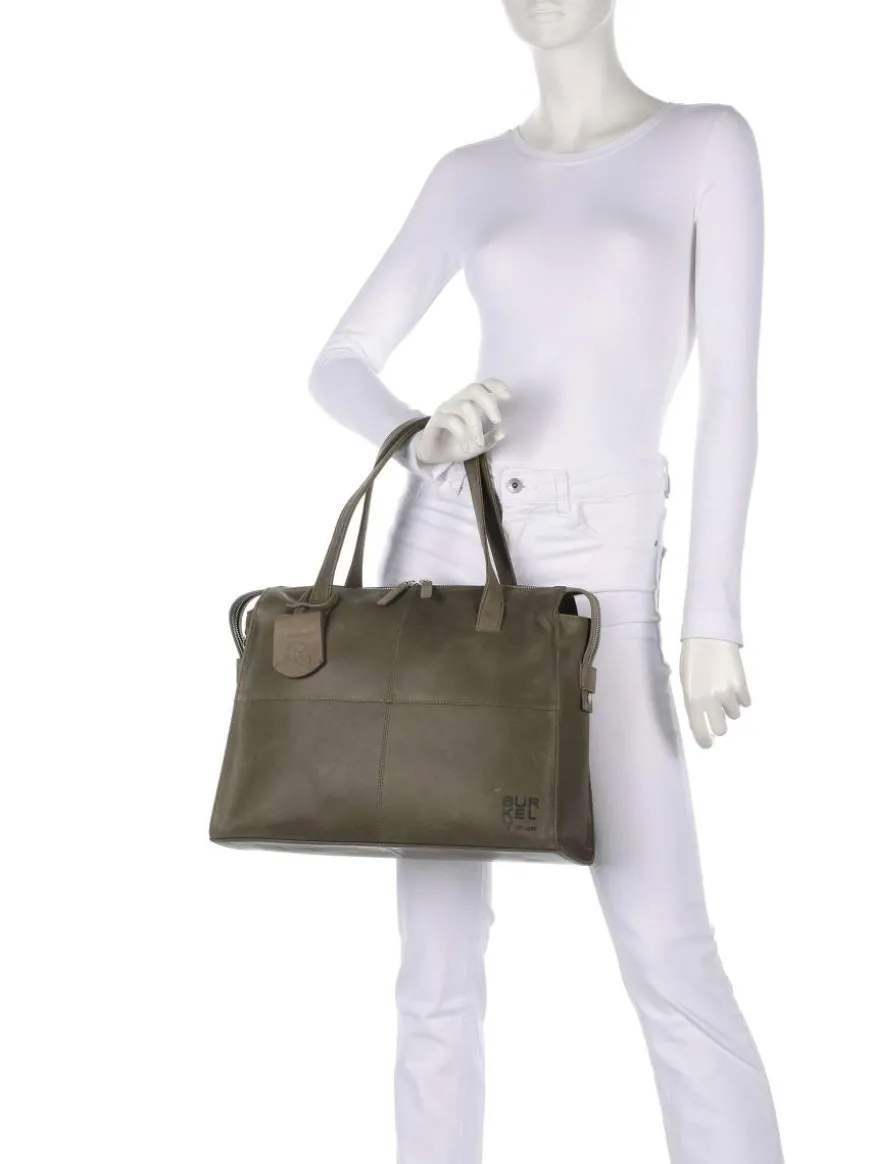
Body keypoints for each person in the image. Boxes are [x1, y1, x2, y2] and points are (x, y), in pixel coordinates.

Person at [307, 3, 785, 1161]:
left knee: (667, 947)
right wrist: (421, 436)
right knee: (434, 971)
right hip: (444, 548)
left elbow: (730, 392)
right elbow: (339, 363)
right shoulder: (468, 174)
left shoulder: (705, 144)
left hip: (600, 563)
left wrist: (711, 616)